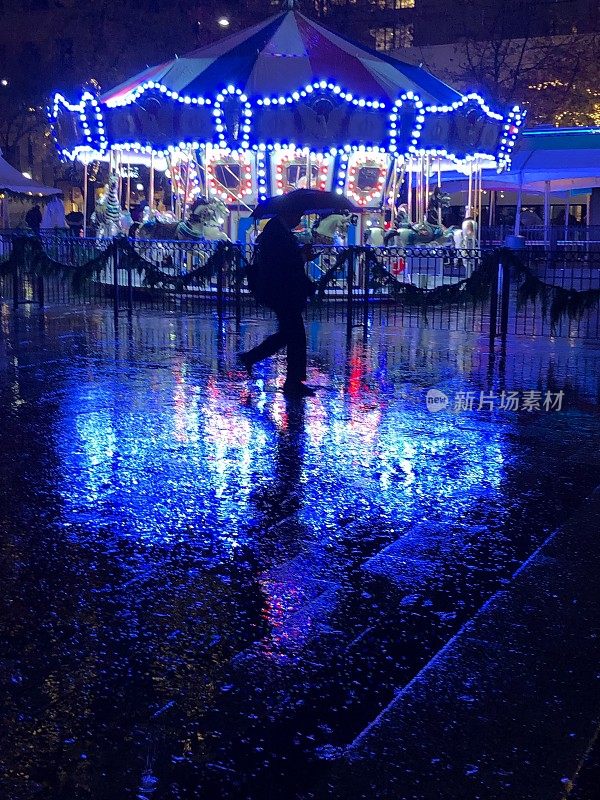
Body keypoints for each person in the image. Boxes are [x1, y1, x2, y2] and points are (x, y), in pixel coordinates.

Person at [239, 209, 316, 397]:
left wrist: (301, 255)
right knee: (296, 336)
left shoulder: (277, 230)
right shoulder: (277, 232)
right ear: (288, 213)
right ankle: (293, 382)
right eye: (297, 214)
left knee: (288, 334)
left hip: (282, 291)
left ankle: (252, 357)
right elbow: (283, 263)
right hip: (282, 291)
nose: (298, 218)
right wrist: (302, 256)